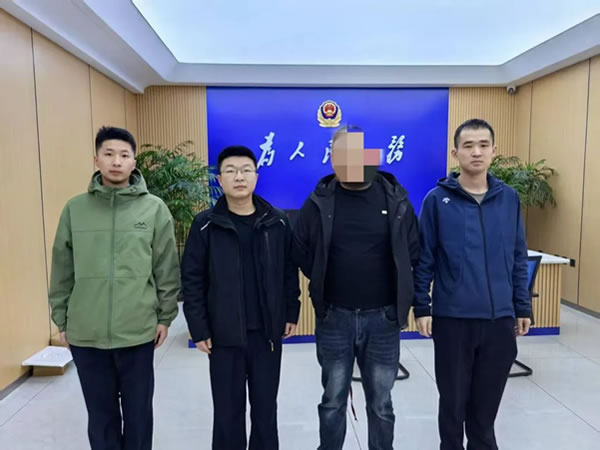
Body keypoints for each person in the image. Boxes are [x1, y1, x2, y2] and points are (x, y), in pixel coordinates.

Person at [48, 126, 180, 450]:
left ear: (134, 162)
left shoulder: (154, 209)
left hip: (137, 331)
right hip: (87, 334)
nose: (116, 161)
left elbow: (166, 268)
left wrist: (165, 317)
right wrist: (62, 319)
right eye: (109, 154)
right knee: (101, 417)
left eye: (124, 155)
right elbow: (62, 269)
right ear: (96, 160)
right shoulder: (75, 209)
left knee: (138, 416)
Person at [292, 126, 420, 450]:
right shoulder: (318, 202)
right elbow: (301, 251)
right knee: (333, 400)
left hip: (384, 320)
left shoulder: (396, 199)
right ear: (332, 159)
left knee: (381, 403)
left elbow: (413, 252)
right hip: (335, 318)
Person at [413, 118, 531, 450]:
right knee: (452, 407)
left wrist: (522, 306)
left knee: (485, 411)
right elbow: (425, 259)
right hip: (454, 321)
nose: (476, 152)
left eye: (483, 145)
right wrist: (422, 306)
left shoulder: (509, 199)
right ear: (455, 153)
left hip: (499, 322)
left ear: (494, 151)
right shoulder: (437, 201)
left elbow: (517, 255)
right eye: (468, 146)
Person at [181, 145, 301, 450]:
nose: (239, 177)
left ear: (256, 177)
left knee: (265, 411)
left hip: (266, 335)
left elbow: (288, 271)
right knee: (227, 413)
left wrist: (291, 311)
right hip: (223, 337)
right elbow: (192, 279)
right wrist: (199, 327)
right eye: (231, 171)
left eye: (246, 170)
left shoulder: (277, 222)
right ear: (219, 179)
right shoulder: (205, 224)